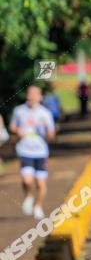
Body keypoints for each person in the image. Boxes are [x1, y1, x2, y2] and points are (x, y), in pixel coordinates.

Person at [9, 85, 56, 220]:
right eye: (30, 93)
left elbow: (51, 135)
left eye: (36, 94)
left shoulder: (45, 113)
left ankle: (38, 206)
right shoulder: (19, 110)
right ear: (27, 95)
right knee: (27, 180)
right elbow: (12, 125)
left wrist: (47, 128)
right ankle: (29, 196)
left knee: (41, 183)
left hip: (41, 152)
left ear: (40, 97)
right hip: (25, 150)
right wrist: (18, 131)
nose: (32, 96)